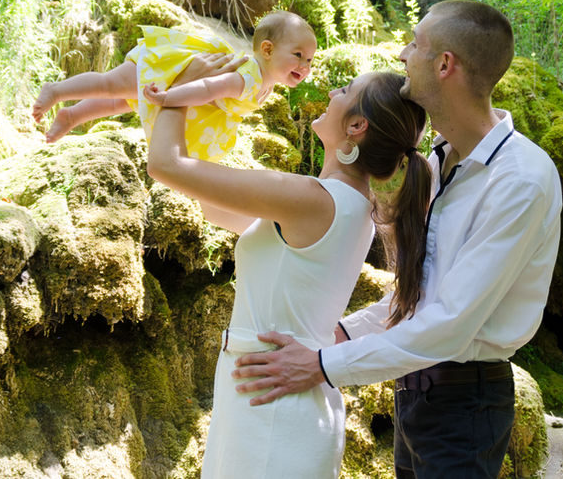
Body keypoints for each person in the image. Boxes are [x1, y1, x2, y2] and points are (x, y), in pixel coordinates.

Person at [231, 0, 563, 478]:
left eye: (415, 44)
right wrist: (337, 334)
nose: (404, 54)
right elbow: (421, 294)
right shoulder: (438, 163)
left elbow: (451, 323)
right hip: (415, 393)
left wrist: (323, 364)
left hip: (465, 405)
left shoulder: (520, 179)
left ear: (445, 64)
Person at [146, 71, 431, 479]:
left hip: (270, 407)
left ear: (356, 127)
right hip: (269, 399)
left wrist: (182, 86)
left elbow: (165, 164)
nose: (334, 91)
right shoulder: (345, 205)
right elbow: (211, 204)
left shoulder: (313, 200)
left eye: (345, 90)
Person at [31, 11, 316, 157]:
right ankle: (57, 90)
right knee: (110, 85)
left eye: (310, 60)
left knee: (122, 101)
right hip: (169, 68)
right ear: (266, 50)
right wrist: (168, 98)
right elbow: (209, 89)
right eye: (298, 56)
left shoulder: (267, 81)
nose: (304, 66)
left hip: (177, 77)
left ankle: (73, 115)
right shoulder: (248, 77)